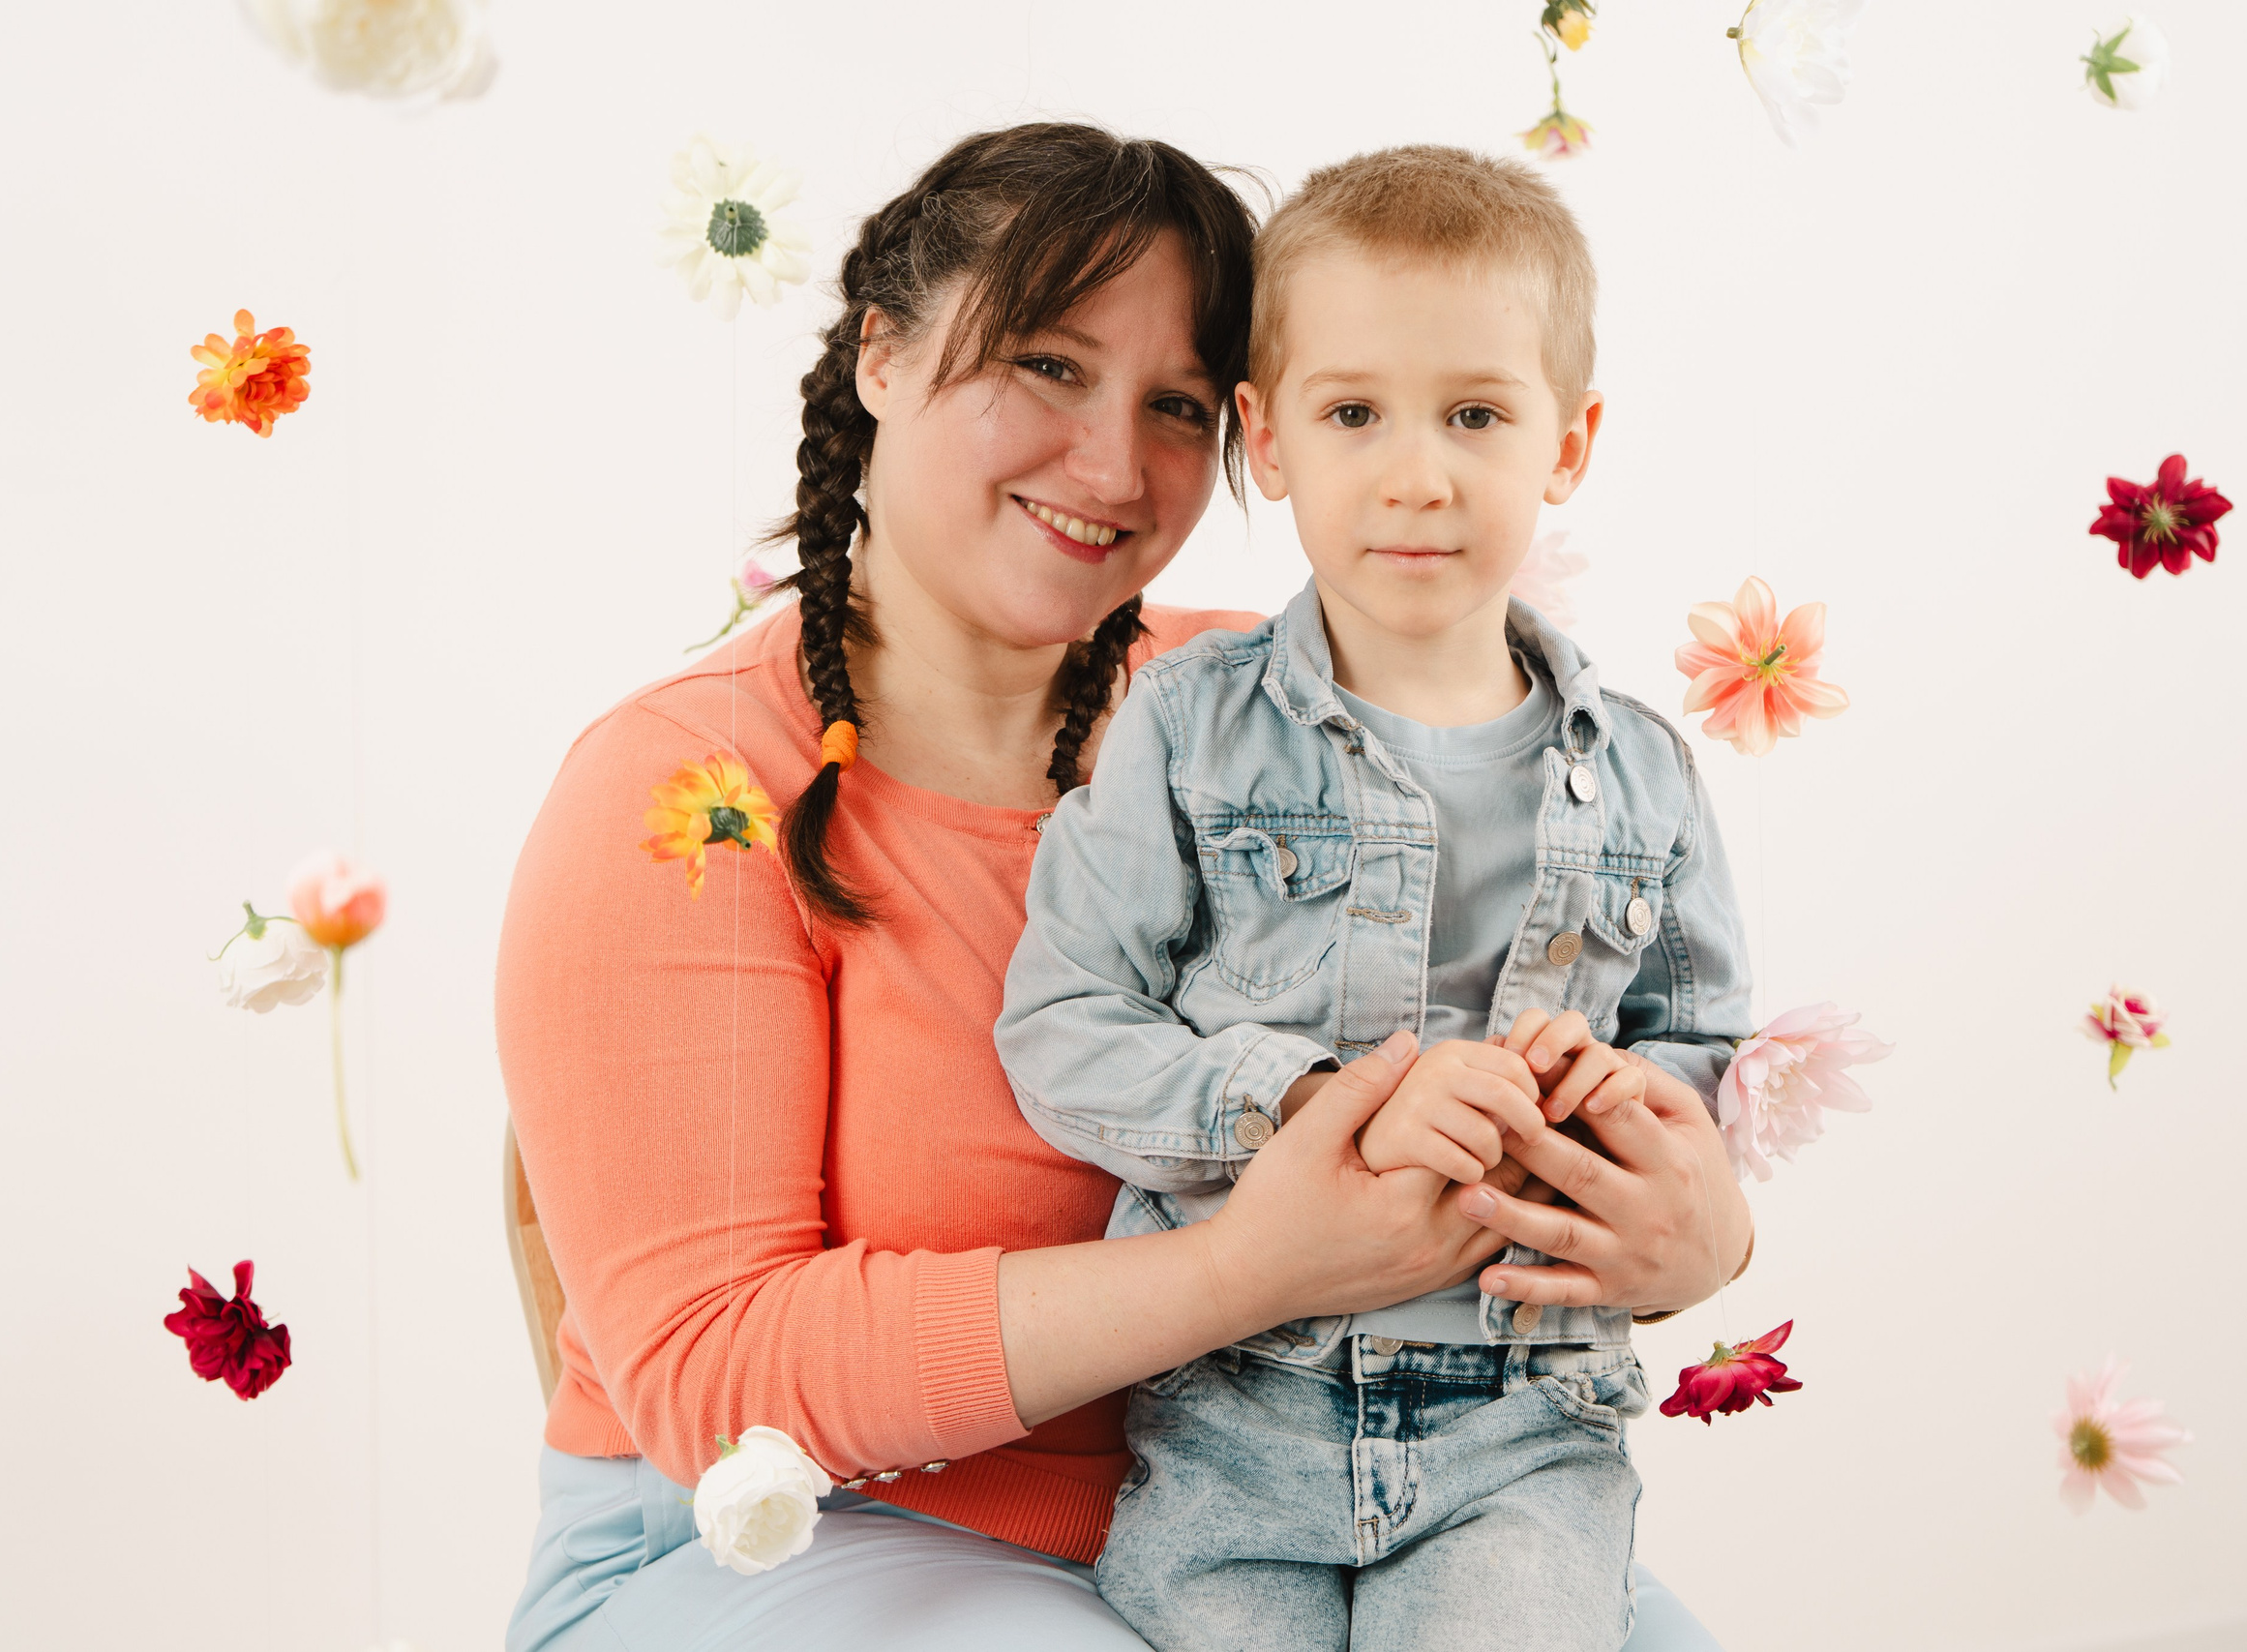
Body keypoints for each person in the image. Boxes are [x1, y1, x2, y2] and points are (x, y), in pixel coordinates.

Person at [497, 122, 1747, 1652]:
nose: (1111, 464)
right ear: (881, 353)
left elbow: (1587, 1016)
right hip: (793, 1541)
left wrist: (1692, 1241)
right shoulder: (685, 793)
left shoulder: (1260, 708)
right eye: (1046, 364)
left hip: (1323, 1491)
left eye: (1170, 406)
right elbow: (715, 1379)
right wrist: (1242, 1269)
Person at [995, 146, 1753, 1651]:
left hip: (1525, 1434)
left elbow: (1694, 1040)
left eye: (1477, 413)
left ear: (1571, 440)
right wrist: (1308, 1100)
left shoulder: (1650, 773)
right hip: (1232, 1417)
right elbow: (1066, 1026)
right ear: (1268, 442)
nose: (1420, 473)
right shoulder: (1187, 727)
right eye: (1356, 415)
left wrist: (1622, 1128)